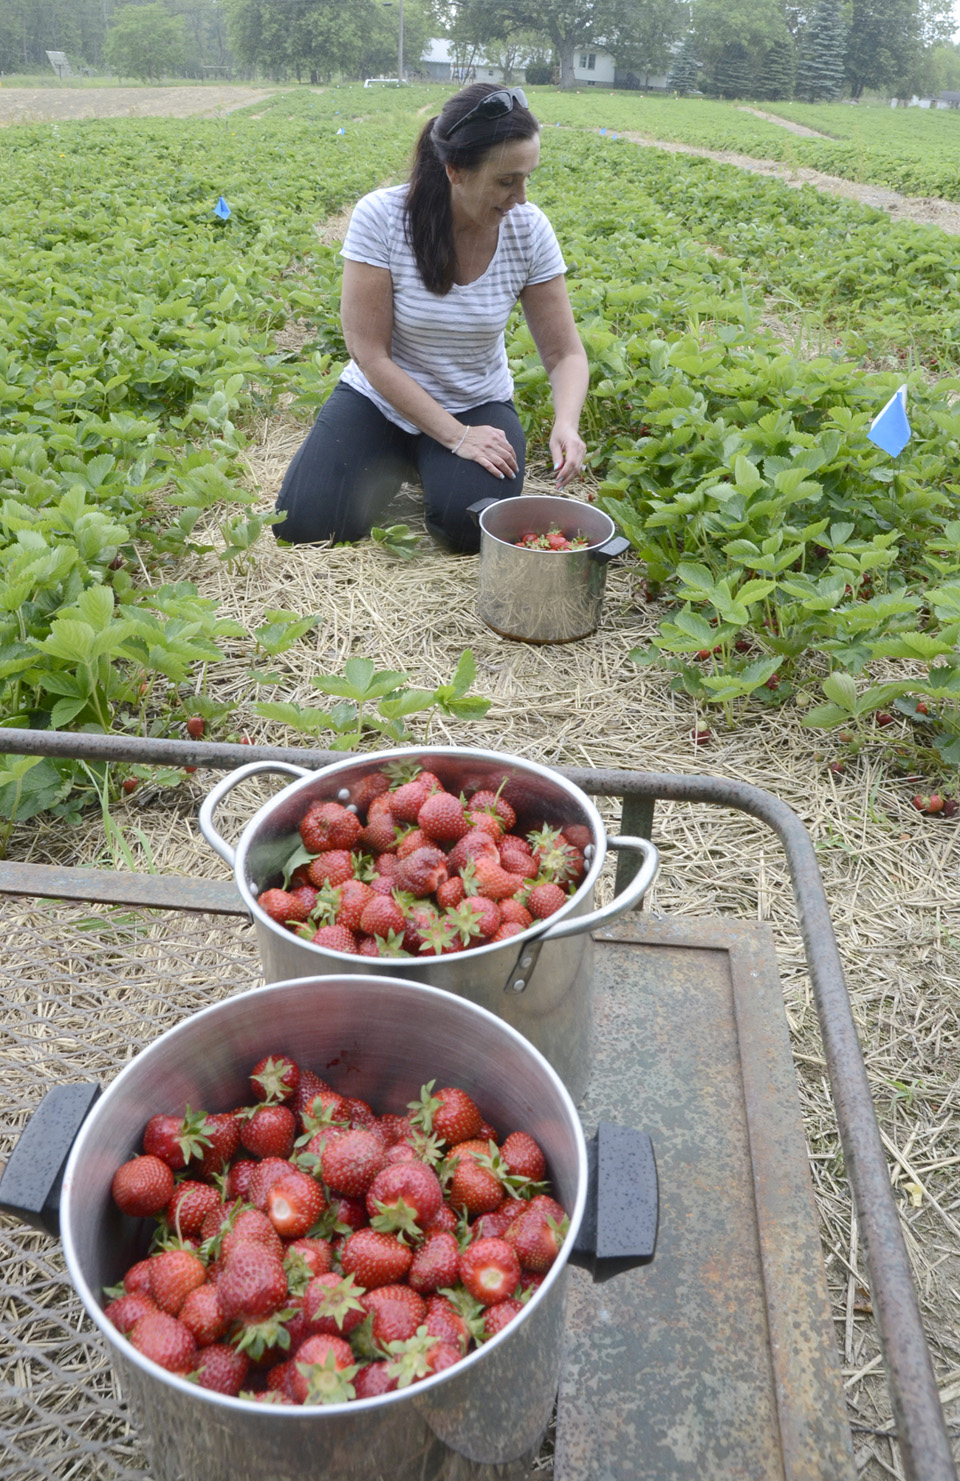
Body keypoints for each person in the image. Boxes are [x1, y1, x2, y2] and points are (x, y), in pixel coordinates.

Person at [274, 83, 589, 553]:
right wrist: (455, 438)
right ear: (455, 170)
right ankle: (406, 454)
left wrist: (567, 422)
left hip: (475, 402)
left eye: (528, 178)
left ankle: (424, 463)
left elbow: (564, 354)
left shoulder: (528, 230)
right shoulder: (382, 217)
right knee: (306, 526)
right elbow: (369, 353)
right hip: (382, 401)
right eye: (506, 181)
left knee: (470, 529)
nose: (521, 197)